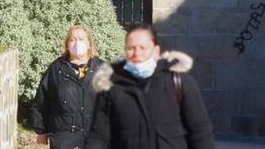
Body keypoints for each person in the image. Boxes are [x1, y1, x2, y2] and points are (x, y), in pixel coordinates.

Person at [86, 23, 215, 149]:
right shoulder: (111, 86)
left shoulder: (179, 82)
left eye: (143, 48)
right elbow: (98, 135)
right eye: (131, 48)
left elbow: (200, 132)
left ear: (156, 51)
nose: (137, 53)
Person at [30, 25, 105, 148]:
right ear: (67, 44)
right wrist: (41, 130)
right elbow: (41, 101)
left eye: (81, 39)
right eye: (72, 39)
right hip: (63, 137)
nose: (77, 43)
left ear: (89, 43)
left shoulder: (102, 69)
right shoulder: (56, 69)